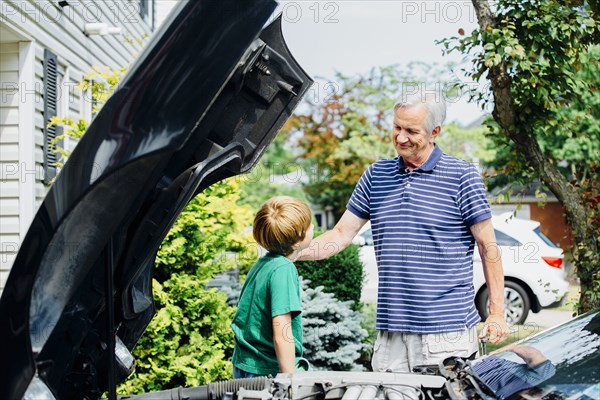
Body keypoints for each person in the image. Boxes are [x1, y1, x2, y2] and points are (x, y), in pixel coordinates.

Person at [297, 87, 510, 373]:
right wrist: (292, 253)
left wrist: (496, 313)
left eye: (411, 130)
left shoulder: (462, 176)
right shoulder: (376, 175)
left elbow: (488, 247)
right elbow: (339, 235)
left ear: (434, 131)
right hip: (391, 333)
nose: (400, 137)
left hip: (446, 332)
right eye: (397, 127)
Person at [231, 196, 314, 378]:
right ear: (296, 242)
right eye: (309, 226)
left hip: (245, 365)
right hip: (269, 372)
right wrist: (289, 381)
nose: (313, 227)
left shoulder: (262, 264)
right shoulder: (284, 269)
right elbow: (282, 332)